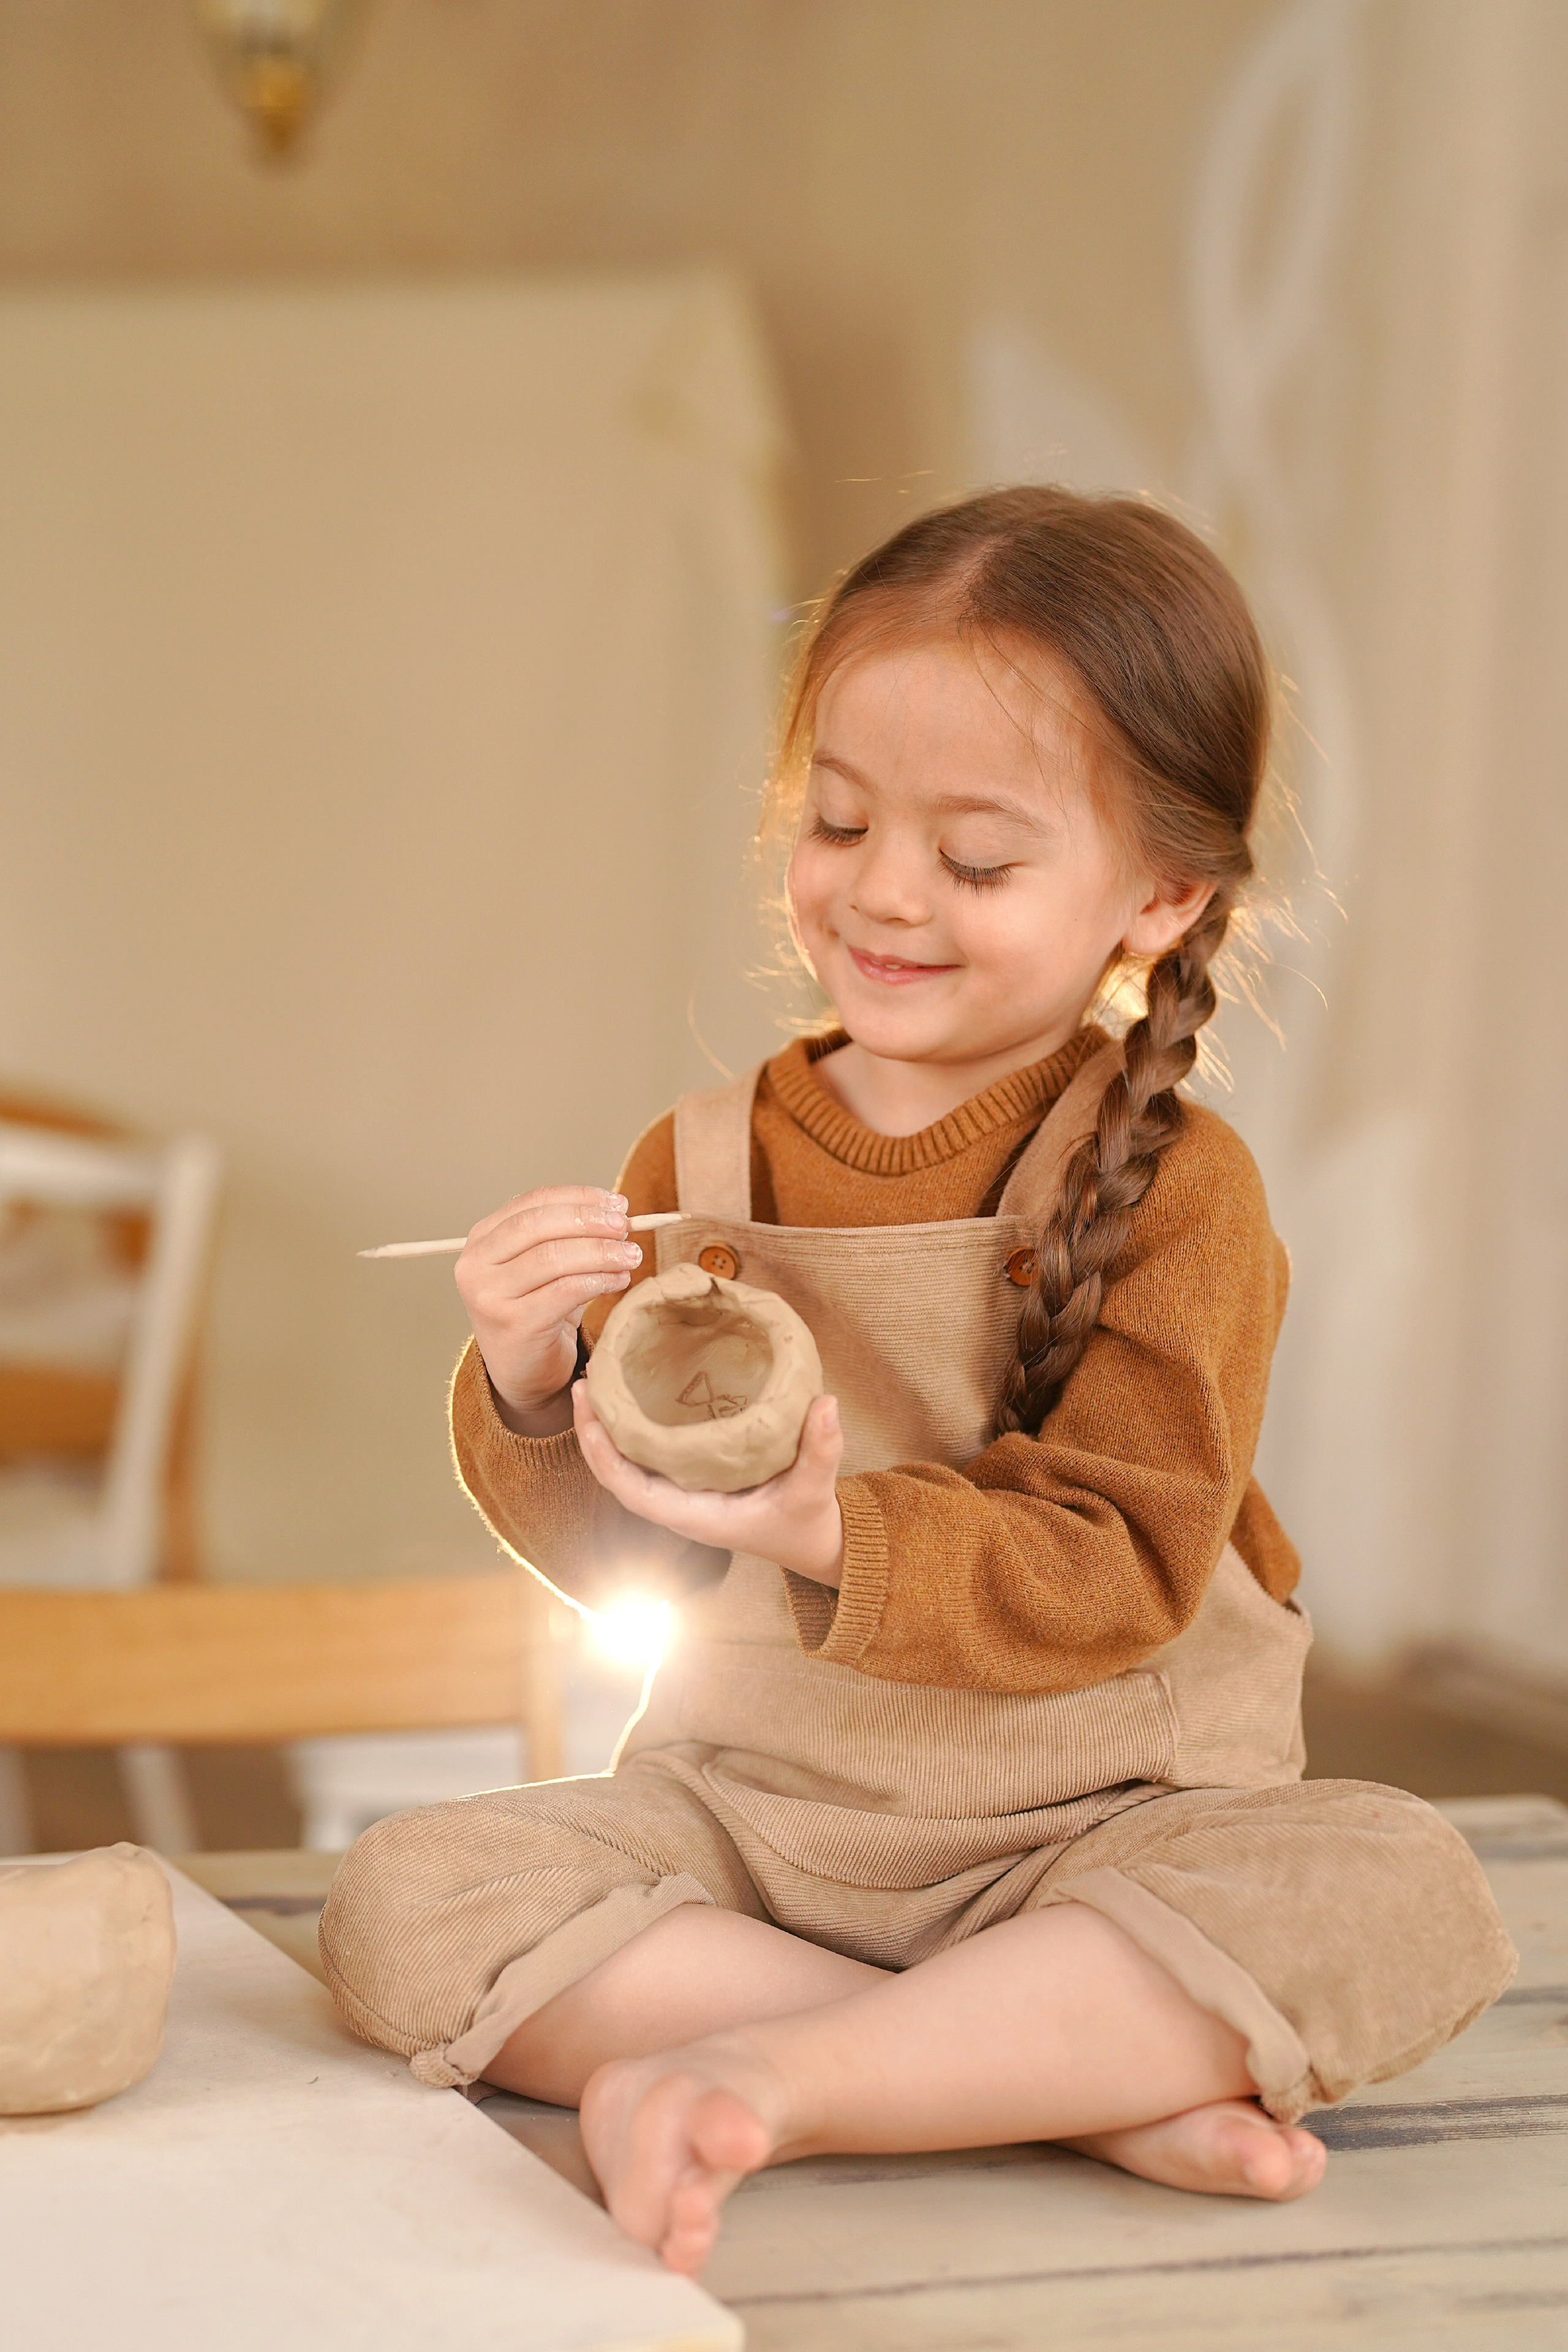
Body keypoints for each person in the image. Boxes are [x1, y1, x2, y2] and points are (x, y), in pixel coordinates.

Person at [319, 488, 1513, 2277]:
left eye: (974, 861)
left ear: (1162, 894)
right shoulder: (702, 1154)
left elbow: (1120, 1561)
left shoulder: (1181, 1190)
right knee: (406, 1903)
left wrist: (825, 1527)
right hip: (754, 1820)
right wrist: (529, 1370)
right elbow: (635, 1569)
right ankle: (1047, 2074)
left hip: (1103, 1834)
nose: (881, 892)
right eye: (841, 820)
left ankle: (779, 2077)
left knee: (1407, 1893)